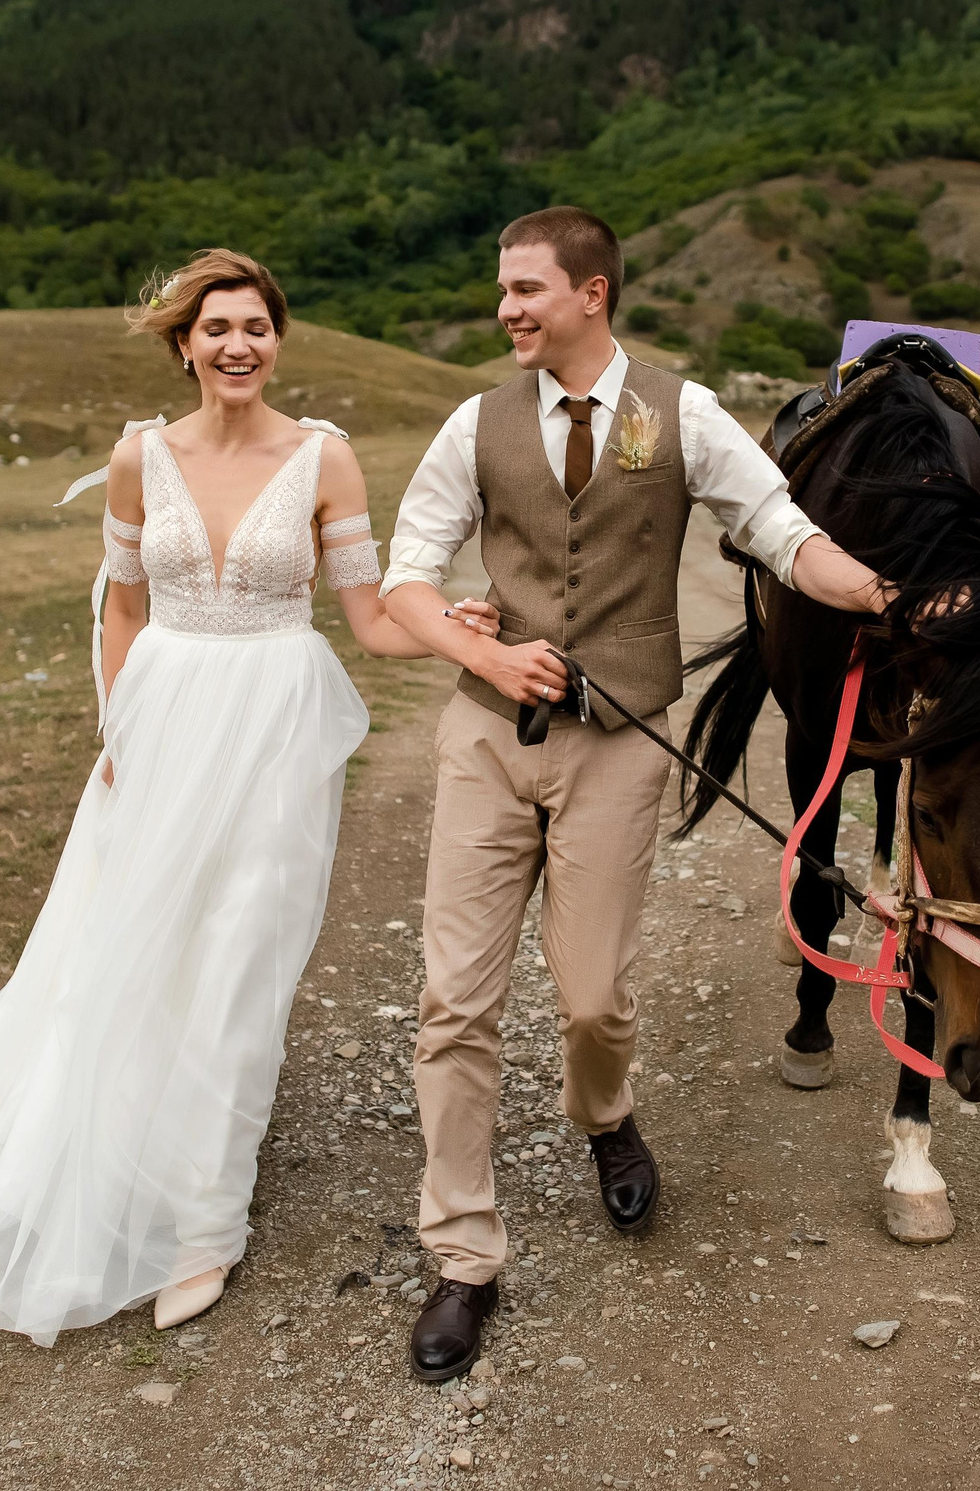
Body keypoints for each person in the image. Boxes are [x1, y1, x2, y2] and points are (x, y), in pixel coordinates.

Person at [0, 249, 497, 1346]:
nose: (237, 344)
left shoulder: (325, 461)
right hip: (158, 719)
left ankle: (203, 1224)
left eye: (256, 325)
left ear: (278, 338)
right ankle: (107, 1128)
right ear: (184, 344)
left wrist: (458, 629)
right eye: (217, 327)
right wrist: (116, 726)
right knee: (133, 940)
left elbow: (364, 618)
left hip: (272, 720)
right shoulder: (136, 457)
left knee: (239, 952)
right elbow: (122, 607)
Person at [377, 206, 898, 1382]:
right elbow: (408, 574)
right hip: (486, 742)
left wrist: (872, 588)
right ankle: (462, 1254)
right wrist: (486, 654)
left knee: (595, 999)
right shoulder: (476, 421)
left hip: (618, 743)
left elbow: (775, 526)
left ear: (592, 293)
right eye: (502, 290)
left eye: (525, 290)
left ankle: (605, 1114)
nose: (505, 309)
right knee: (452, 1002)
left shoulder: (682, 411)